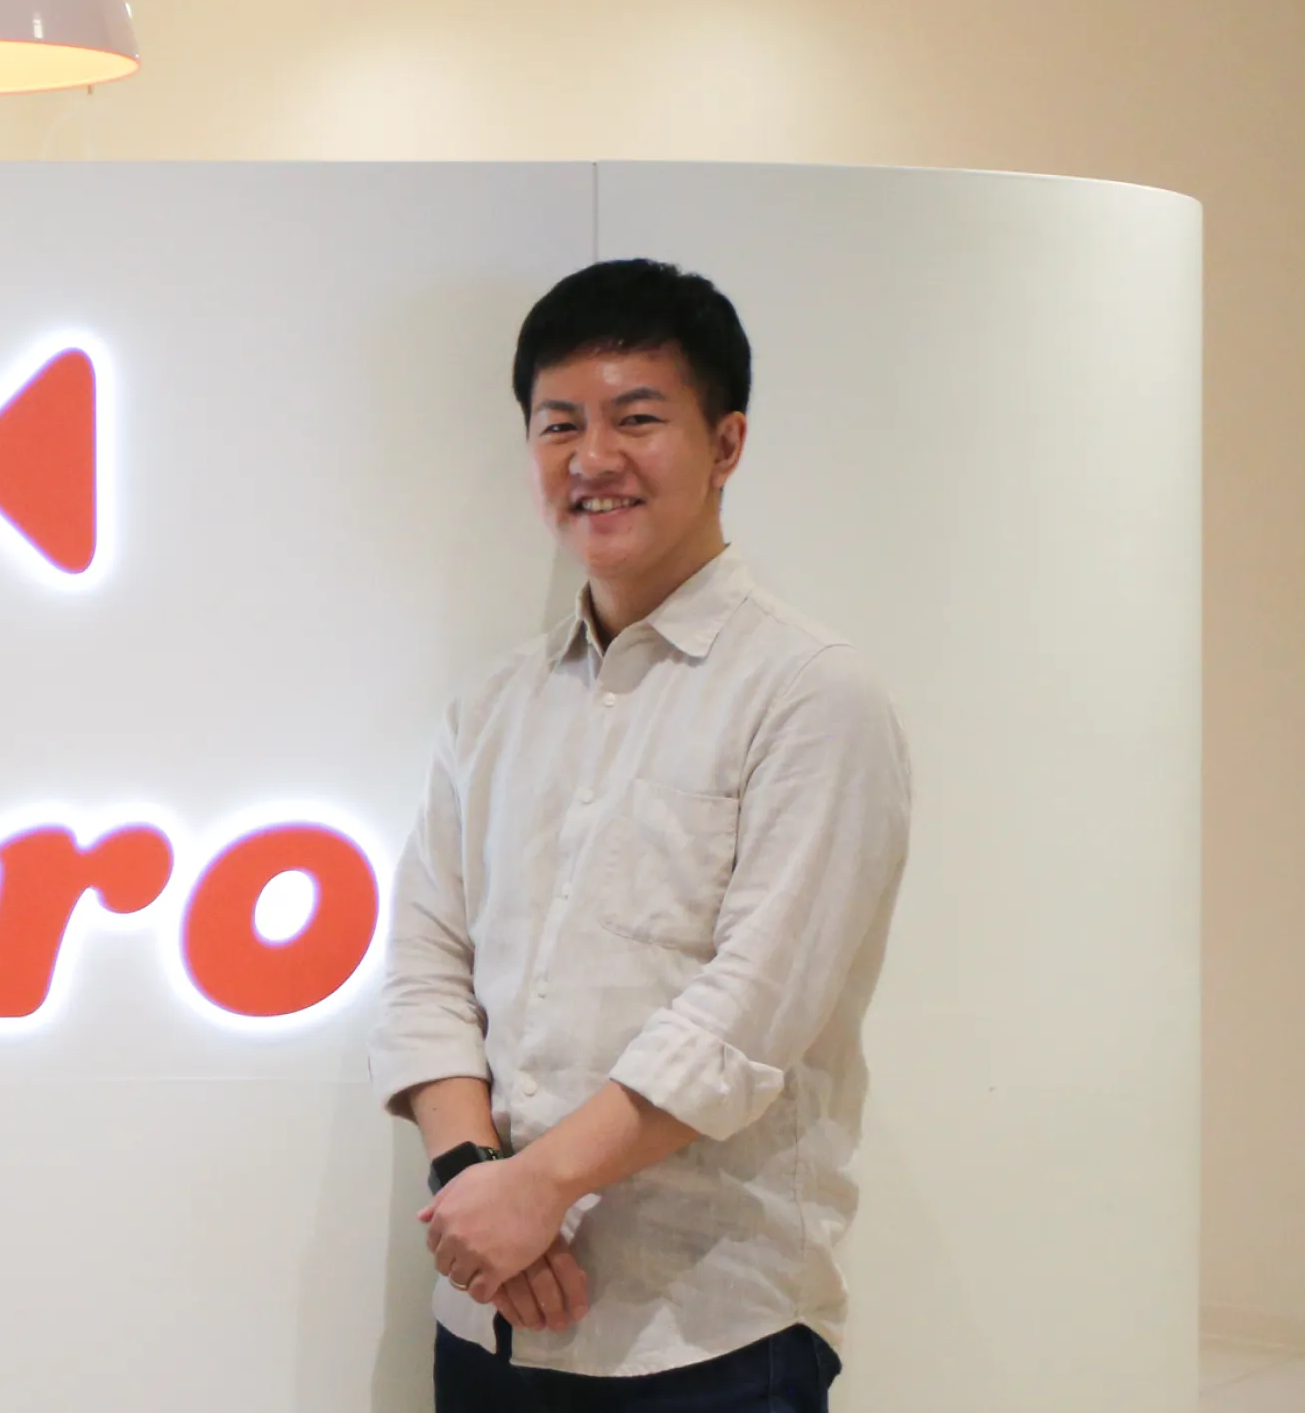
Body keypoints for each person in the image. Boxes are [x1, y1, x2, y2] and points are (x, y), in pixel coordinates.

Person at [366, 260, 911, 1410]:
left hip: (708, 1332)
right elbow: (426, 962)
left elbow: (749, 1011)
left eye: (637, 418)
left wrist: (538, 1189)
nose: (593, 457)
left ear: (725, 444)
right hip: (487, 1317)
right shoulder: (491, 706)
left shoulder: (811, 694)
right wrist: (476, 1179)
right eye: (559, 423)